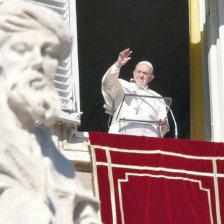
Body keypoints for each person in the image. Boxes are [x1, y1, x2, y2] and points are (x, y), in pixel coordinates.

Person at [0, 0, 100, 223]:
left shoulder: (51, 154)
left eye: (48, 53)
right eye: (22, 48)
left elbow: (81, 209)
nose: (37, 62)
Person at [102, 48, 169, 137]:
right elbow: (107, 83)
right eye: (139, 72)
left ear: (151, 78)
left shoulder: (158, 98)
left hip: (147, 144)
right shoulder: (122, 85)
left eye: (145, 73)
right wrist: (118, 65)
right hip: (120, 139)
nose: (141, 75)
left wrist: (163, 125)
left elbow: (163, 125)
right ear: (133, 73)